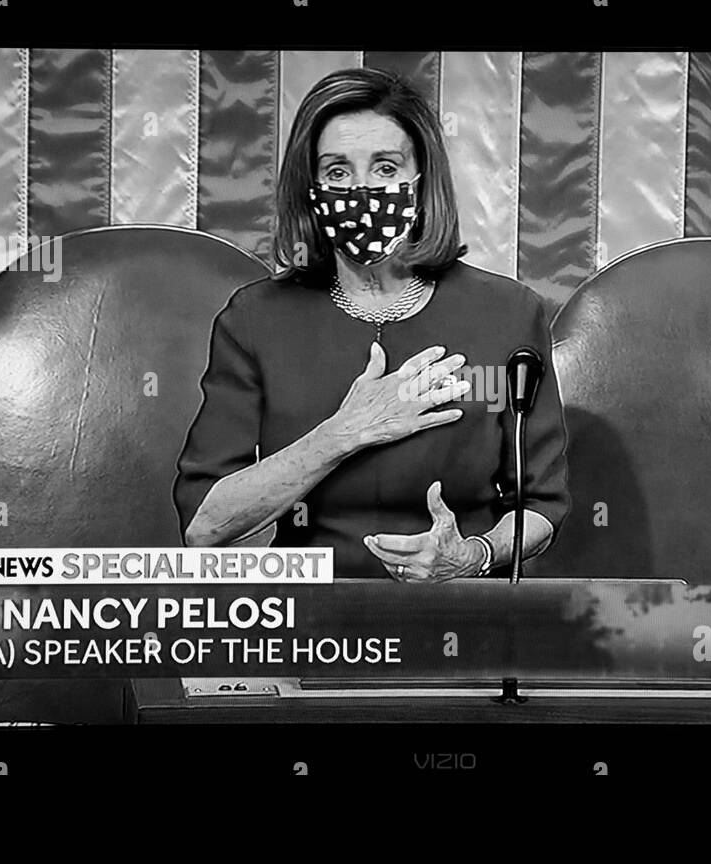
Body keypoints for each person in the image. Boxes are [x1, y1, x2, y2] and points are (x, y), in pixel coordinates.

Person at [174, 67, 569, 581]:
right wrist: (344, 433)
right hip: (310, 630)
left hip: (461, 619)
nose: (362, 190)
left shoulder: (509, 311)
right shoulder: (254, 318)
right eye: (337, 172)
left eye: (385, 168)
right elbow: (206, 525)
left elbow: (540, 503)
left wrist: (473, 556)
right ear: (311, 189)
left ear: (421, 180)